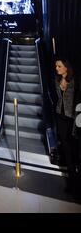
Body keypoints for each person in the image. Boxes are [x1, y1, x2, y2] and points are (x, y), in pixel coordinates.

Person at [54, 58, 81, 192]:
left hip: (74, 118)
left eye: (59, 66)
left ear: (66, 67)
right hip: (61, 116)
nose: (57, 68)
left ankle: (76, 180)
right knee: (66, 146)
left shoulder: (75, 80)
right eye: (56, 66)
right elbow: (58, 98)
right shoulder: (56, 80)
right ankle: (72, 181)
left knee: (75, 147)